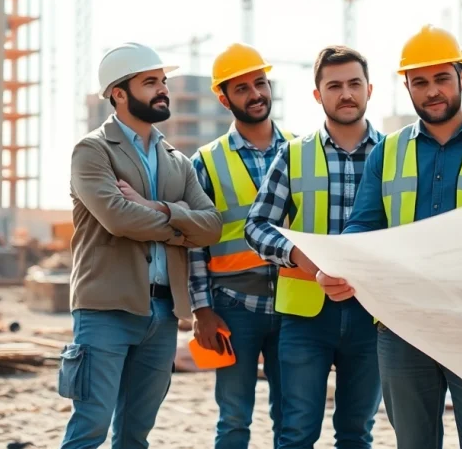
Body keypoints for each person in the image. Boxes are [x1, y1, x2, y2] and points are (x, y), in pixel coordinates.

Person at [317, 25, 462, 449]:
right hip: (402, 325)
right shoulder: (387, 152)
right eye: (419, 82)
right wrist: (338, 265)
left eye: (441, 78)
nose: (432, 91)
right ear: (406, 86)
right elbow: (362, 227)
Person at [60, 42, 223, 449]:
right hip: (106, 310)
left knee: (136, 434)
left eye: (163, 81)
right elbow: (118, 218)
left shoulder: (178, 161)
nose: (162, 89)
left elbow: (212, 227)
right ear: (119, 93)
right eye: (150, 82)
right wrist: (179, 223)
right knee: (90, 428)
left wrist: (156, 209)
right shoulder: (92, 151)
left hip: (164, 312)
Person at [245, 45, 384, 449]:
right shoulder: (294, 154)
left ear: (369, 90)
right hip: (306, 317)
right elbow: (256, 225)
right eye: (334, 85)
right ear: (317, 94)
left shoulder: (395, 153)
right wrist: (303, 260)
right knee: (296, 433)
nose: (345, 94)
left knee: (357, 433)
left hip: (372, 314)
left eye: (354, 84)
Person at [188, 42, 295, 449]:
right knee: (233, 419)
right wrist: (201, 310)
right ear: (223, 97)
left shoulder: (302, 151)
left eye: (260, 83)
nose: (255, 94)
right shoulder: (206, 162)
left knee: (293, 417)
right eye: (242, 88)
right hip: (233, 307)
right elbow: (195, 242)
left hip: (293, 304)